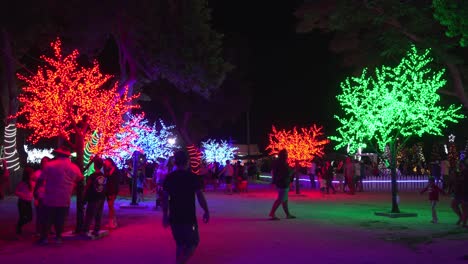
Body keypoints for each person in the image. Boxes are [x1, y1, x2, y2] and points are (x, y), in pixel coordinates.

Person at [162, 150, 210, 264]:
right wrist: (206, 210)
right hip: (188, 216)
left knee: (180, 243)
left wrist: (165, 215)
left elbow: (165, 198)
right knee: (193, 242)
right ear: (187, 162)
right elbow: (200, 196)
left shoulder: (169, 178)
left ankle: (179, 260)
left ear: (175, 162)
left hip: (174, 215)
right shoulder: (192, 177)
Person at [37, 145, 84, 245]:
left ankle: (45, 238)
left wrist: (37, 192)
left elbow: (41, 180)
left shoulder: (50, 165)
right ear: (68, 156)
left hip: (50, 196)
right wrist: (72, 184)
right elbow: (80, 178)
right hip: (64, 197)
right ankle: (58, 237)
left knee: (47, 218)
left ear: (58, 154)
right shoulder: (73, 167)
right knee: (60, 218)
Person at [268, 149, 296, 220]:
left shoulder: (277, 162)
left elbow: (275, 173)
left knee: (284, 199)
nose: (287, 155)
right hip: (284, 182)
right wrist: (294, 170)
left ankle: (287, 214)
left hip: (280, 182)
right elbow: (287, 173)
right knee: (281, 199)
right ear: (284, 155)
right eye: (286, 154)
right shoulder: (283, 163)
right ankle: (272, 213)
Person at [83, 157, 106, 238]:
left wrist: (84, 196)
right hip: (101, 196)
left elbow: (87, 186)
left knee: (90, 214)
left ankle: (86, 230)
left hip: (93, 197)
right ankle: (96, 230)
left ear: (95, 166)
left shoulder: (92, 176)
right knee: (98, 214)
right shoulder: (103, 176)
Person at [32, 156, 52, 236]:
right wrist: (36, 197)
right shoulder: (37, 173)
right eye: (43, 162)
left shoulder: (51, 173)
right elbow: (34, 187)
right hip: (40, 196)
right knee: (40, 214)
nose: (45, 164)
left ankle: (48, 229)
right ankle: (39, 231)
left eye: (46, 162)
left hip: (49, 196)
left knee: (49, 214)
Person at [15, 167, 35, 234]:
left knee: (30, 217)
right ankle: (19, 229)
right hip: (22, 202)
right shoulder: (22, 183)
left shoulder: (32, 183)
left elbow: (34, 191)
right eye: (32, 173)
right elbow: (16, 192)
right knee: (22, 216)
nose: (33, 174)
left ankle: (19, 226)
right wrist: (23, 195)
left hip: (28, 202)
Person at [104, 158, 119, 229]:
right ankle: (113, 221)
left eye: (106, 162)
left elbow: (116, 181)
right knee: (110, 206)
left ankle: (112, 222)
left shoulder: (115, 170)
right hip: (108, 189)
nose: (105, 163)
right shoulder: (107, 169)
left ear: (110, 162)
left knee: (111, 205)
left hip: (113, 189)